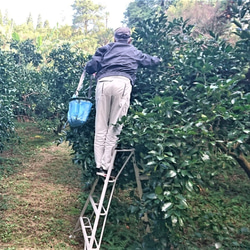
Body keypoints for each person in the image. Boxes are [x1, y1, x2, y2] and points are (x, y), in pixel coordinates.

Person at [85, 27, 161, 177]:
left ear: (114, 39)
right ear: (129, 40)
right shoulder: (133, 51)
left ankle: (98, 165)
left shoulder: (106, 48)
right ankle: (106, 167)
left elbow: (91, 67)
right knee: (114, 127)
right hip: (122, 84)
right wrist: (160, 59)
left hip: (104, 83)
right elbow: (150, 61)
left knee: (101, 126)